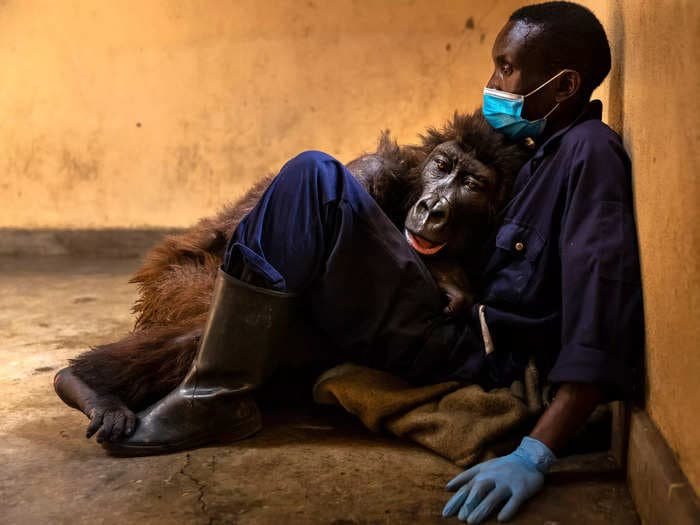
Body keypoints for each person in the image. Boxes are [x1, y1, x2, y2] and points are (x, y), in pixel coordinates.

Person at [103, 2, 644, 523]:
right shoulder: (529, 150)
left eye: (506, 69)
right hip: (440, 312)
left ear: (566, 85)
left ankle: (214, 395)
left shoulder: (588, 154)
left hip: (466, 350)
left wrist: (535, 454)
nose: (494, 85)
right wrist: (443, 271)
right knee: (317, 189)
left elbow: (601, 314)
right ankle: (210, 381)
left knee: (316, 178)